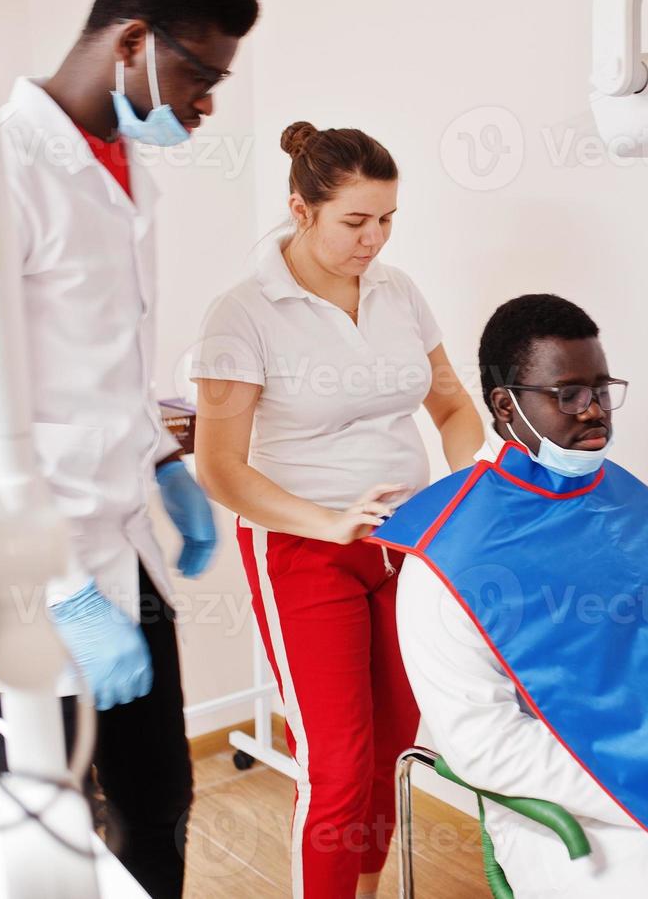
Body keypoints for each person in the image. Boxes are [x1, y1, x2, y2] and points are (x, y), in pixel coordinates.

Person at [0, 0, 258, 896]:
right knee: (47, 846)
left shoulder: (126, 168)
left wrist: (163, 462)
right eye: (200, 78)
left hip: (122, 547)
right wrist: (61, 591)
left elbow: (96, 369)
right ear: (133, 42)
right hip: (28, 580)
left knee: (159, 803)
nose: (206, 106)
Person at [381, 294, 648, 899]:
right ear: (507, 406)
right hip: (582, 797)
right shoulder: (446, 555)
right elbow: (485, 745)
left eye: (602, 390)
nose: (595, 412)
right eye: (568, 395)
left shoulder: (626, 499)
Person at [190, 121, 484, 899]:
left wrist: (466, 491)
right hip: (302, 548)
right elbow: (218, 467)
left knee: (391, 748)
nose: (374, 240)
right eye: (355, 221)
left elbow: (454, 410)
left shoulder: (398, 291)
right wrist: (326, 522)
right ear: (301, 208)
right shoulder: (242, 314)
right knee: (338, 763)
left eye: (387, 220)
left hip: (407, 546)